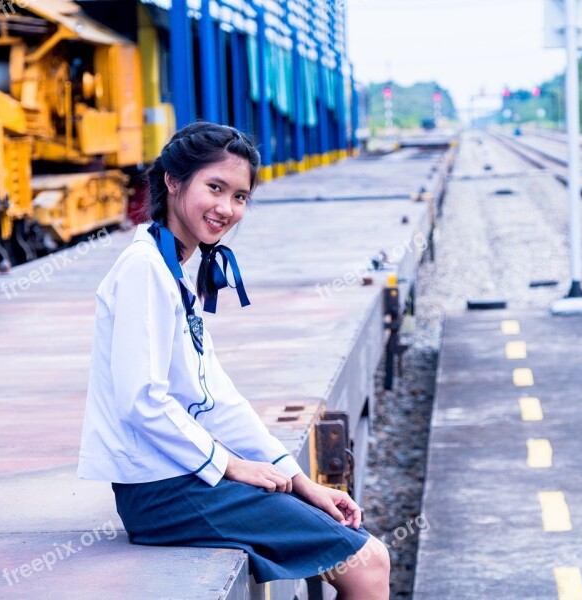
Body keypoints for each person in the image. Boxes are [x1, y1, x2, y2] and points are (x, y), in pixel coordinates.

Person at [77, 121, 390, 598]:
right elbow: (140, 400)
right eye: (215, 188)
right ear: (173, 181)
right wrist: (230, 465)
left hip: (179, 479)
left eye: (240, 196)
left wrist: (299, 479)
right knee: (367, 563)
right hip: (164, 492)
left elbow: (216, 397)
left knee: (365, 555)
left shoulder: (171, 267)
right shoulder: (145, 270)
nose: (226, 208)